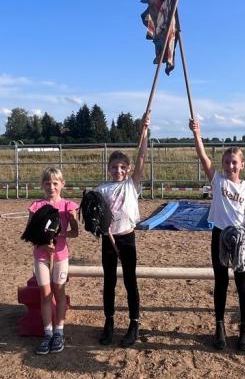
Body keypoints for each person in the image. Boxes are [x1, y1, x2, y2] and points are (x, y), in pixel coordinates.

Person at [189, 119, 245, 351]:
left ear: (242, 164)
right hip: (219, 235)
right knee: (220, 282)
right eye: (227, 162)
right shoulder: (217, 181)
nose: (230, 167)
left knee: (242, 284)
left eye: (234, 163)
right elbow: (202, 156)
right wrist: (197, 133)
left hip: (240, 239)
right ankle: (219, 327)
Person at [95, 112, 151, 347]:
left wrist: (144, 131)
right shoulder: (102, 189)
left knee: (130, 281)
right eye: (114, 167)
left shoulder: (131, 184)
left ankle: (134, 322)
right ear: (109, 169)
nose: (118, 170)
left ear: (127, 170)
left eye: (122, 167)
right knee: (109, 281)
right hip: (109, 240)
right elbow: (95, 217)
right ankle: (108, 322)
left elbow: (141, 157)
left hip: (127, 237)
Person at [29, 166, 80, 355]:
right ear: (42, 185)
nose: (51, 187)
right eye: (48, 183)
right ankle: (47, 333)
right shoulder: (36, 206)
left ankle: (59, 331)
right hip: (41, 255)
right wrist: (42, 243)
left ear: (62, 184)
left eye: (55, 183)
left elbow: (75, 232)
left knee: (59, 292)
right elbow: (30, 234)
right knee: (45, 294)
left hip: (60, 255)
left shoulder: (68, 206)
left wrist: (60, 233)